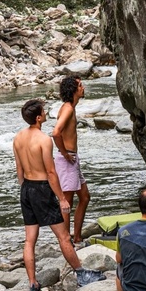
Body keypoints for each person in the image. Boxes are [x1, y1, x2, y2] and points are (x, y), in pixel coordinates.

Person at [13, 99, 105, 291]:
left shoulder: (18, 138)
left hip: (27, 189)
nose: (46, 113)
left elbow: (19, 171)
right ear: (38, 118)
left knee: (30, 240)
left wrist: (26, 190)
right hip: (42, 189)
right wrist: (62, 198)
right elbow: (51, 173)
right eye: (44, 111)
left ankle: (32, 282)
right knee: (63, 236)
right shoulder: (44, 140)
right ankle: (81, 274)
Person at [53, 76, 90, 243]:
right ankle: (66, 240)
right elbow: (56, 132)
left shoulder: (70, 107)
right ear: (74, 90)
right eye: (80, 85)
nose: (83, 88)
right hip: (67, 159)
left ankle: (77, 237)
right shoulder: (67, 108)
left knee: (85, 197)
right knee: (67, 202)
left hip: (73, 160)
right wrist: (65, 153)